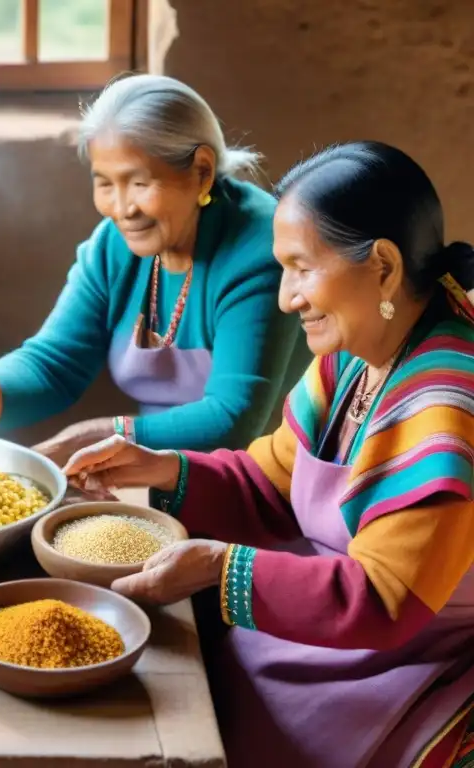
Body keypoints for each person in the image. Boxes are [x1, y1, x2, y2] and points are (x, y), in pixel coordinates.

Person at [63, 142, 474, 768]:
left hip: (412, 666)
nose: (286, 298)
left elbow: (384, 599)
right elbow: (270, 480)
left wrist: (218, 566)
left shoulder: (447, 403)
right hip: (323, 644)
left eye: (301, 268)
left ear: (384, 267)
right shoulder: (358, 351)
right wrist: (162, 467)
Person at [0, 74, 310, 464]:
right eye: (105, 184)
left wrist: (104, 436)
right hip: (159, 471)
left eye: (139, 183)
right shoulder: (114, 246)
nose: (122, 209)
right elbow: (55, 362)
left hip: (270, 485)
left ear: (201, 171)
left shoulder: (261, 248)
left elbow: (233, 418)